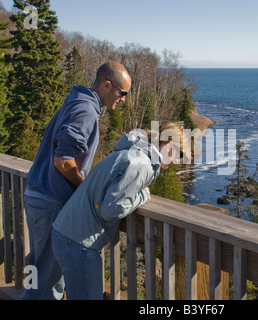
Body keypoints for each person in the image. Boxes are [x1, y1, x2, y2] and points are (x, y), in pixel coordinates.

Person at [23, 61, 132, 300]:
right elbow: (62, 161)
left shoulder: (78, 101)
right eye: (122, 93)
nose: (123, 99)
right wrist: (86, 189)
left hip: (38, 196)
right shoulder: (85, 110)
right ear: (107, 85)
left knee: (41, 273)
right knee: (44, 284)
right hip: (51, 200)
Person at [51, 123, 185, 300]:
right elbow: (112, 209)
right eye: (180, 154)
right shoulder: (142, 163)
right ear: (169, 146)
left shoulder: (133, 153)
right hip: (79, 242)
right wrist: (143, 196)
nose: (178, 160)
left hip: (68, 233)